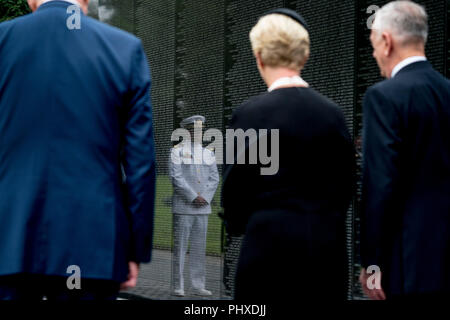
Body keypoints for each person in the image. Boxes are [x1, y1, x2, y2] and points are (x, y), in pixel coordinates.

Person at [0, 0, 156, 300]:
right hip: (91, 249)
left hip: (8, 245)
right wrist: (134, 249)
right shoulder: (124, 49)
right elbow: (140, 164)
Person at [221, 9, 354, 300]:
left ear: (259, 56)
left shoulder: (249, 114)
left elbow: (234, 193)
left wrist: (239, 223)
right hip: (326, 257)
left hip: (267, 254)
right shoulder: (334, 116)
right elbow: (345, 189)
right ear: (303, 57)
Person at [359, 0, 450, 300]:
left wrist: (372, 264)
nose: (373, 55)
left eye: (373, 46)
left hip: (408, 259)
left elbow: (380, 185)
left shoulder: (384, 97)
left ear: (386, 41)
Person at [169, 115, 219, 297]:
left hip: (203, 207)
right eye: (194, 129)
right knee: (180, 248)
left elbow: (214, 178)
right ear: (187, 131)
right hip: (184, 206)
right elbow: (176, 177)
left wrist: (205, 196)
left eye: (200, 129)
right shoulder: (177, 151)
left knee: (199, 247)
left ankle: (198, 285)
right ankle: (178, 285)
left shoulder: (208, 153)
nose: (198, 132)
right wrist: (192, 197)